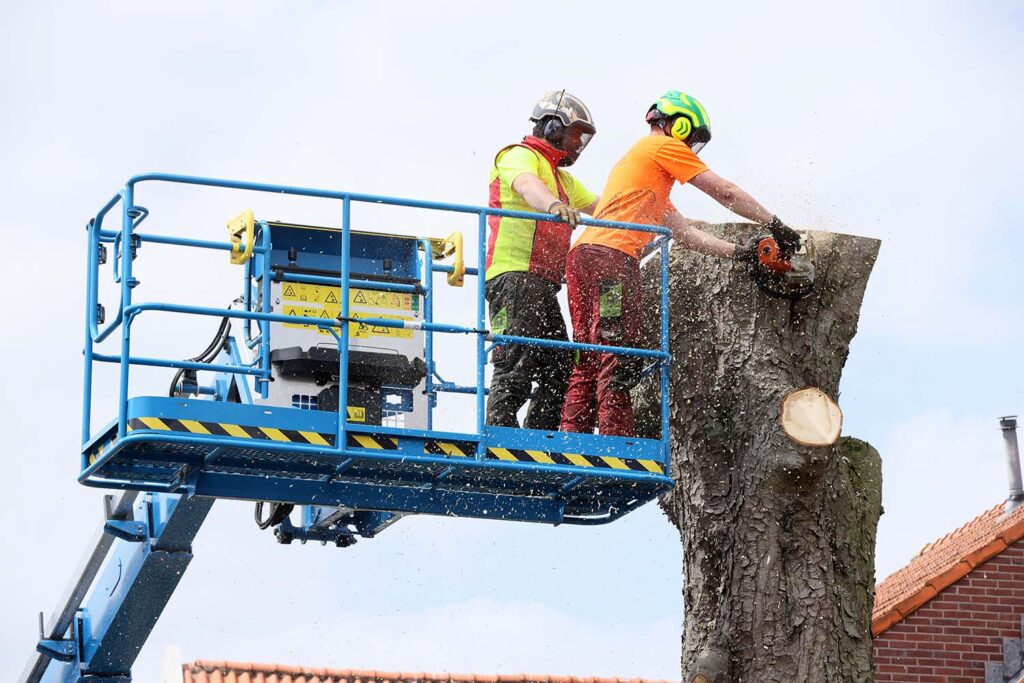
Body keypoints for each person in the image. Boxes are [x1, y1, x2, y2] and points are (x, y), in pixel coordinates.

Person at [559, 90, 800, 437]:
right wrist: (776, 225)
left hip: (583, 257)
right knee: (617, 349)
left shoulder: (643, 176)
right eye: (692, 139)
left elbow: (686, 234)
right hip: (611, 260)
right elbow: (725, 192)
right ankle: (614, 442)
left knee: (588, 351)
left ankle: (573, 436)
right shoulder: (662, 146)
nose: (691, 148)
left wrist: (742, 253)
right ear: (680, 124)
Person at [484, 90, 600, 430]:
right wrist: (551, 206)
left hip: (541, 286)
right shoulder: (518, 156)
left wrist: (645, 221)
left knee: (560, 368)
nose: (578, 143)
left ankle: (539, 439)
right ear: (553, 127)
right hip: (513, 276)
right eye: (576, 134)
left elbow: (604, 207)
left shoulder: (561, 178)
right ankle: (500, 437)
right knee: (516, 362)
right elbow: (526, 186)